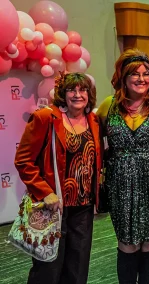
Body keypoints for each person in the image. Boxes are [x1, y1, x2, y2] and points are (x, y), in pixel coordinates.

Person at [96, 49, 149, 284]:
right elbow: (93, 140)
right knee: (127, 241)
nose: (142, 79)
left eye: (146, 74)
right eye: (135, 74)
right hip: (120, 183)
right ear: (123, 77)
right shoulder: (108, 106)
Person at [15, 72, 102, 284]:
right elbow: (23, 161)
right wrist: (45, 192)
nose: (77, 94)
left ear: (89, 94)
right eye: (72, 89)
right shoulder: (46, 118)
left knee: (78, 268)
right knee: (48, 268)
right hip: (53, 206)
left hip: (83, 206)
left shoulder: (94, 120)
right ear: (63, 93)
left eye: (83, 90)